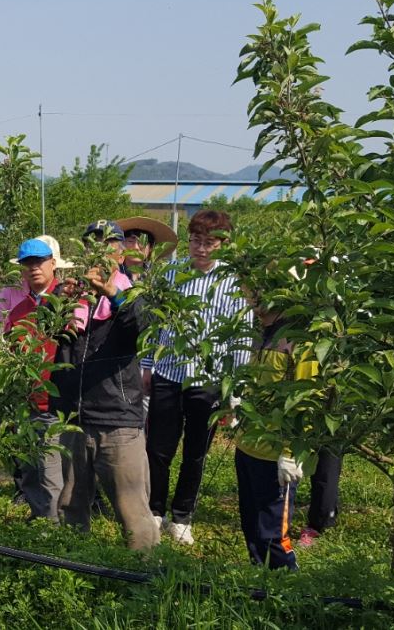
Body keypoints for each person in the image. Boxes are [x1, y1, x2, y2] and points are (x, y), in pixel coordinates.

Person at [142, 209, 252, 545]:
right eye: (195, 241)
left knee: (196, 452)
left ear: (222, 245)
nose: (200, 248)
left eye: (208, 242)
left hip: (208, 379)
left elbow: (241, 337)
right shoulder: (171, 274)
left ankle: (183, 515)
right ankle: (155, 509)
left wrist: (234, 391)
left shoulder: (232, 283)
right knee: (158, 449)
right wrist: (147, 365)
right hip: (169, 373)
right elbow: (154, 323)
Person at [54, 224, 159, 550]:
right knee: (71, 502)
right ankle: (73, 572)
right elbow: (53, 337)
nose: (99, 250)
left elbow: (142, 324)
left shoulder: (132, 294)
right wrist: (59, 304)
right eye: (92, 244)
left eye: (109, 243)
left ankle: (146, 579)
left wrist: (113, 293)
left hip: (117, 420)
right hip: (75, 418)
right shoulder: (73, 296)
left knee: (132, 509)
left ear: (120, 251)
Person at [0, 235, 74, 522]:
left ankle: (52, 525)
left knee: (50, 466)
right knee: (28, 467)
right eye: (27, 264)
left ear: (53, 263)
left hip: (54, 398)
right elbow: (7, 349)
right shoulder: (18, 311)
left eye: (39, 262)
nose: (33, 268)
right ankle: (39, 516)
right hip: (24, 398)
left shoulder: (68, 301)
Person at [233, 294, 312, 570]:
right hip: (247, 445)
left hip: (276, 454)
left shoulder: (298, 338)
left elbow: (306, 398)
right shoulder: (257, 330)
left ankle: (286, 591)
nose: (253, 295)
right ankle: (260, 585)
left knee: (273, 534)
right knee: (251, 527)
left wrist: (292, 452)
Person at [115, 216, 178, 281]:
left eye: (142, 243)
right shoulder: (113, 272)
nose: (136, 247)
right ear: (122, 245)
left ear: (151, 247)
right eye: (130, 241)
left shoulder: (156, 276)